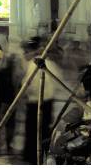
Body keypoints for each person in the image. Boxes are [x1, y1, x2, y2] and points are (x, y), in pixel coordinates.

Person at [21, 36, 68, 165]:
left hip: (40, 102)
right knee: (38, 130)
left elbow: (27, 85)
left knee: (36, 130)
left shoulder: (42, 64)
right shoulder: (40, 64)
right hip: (40, 102)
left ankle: (34, 156)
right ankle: (36, 156)